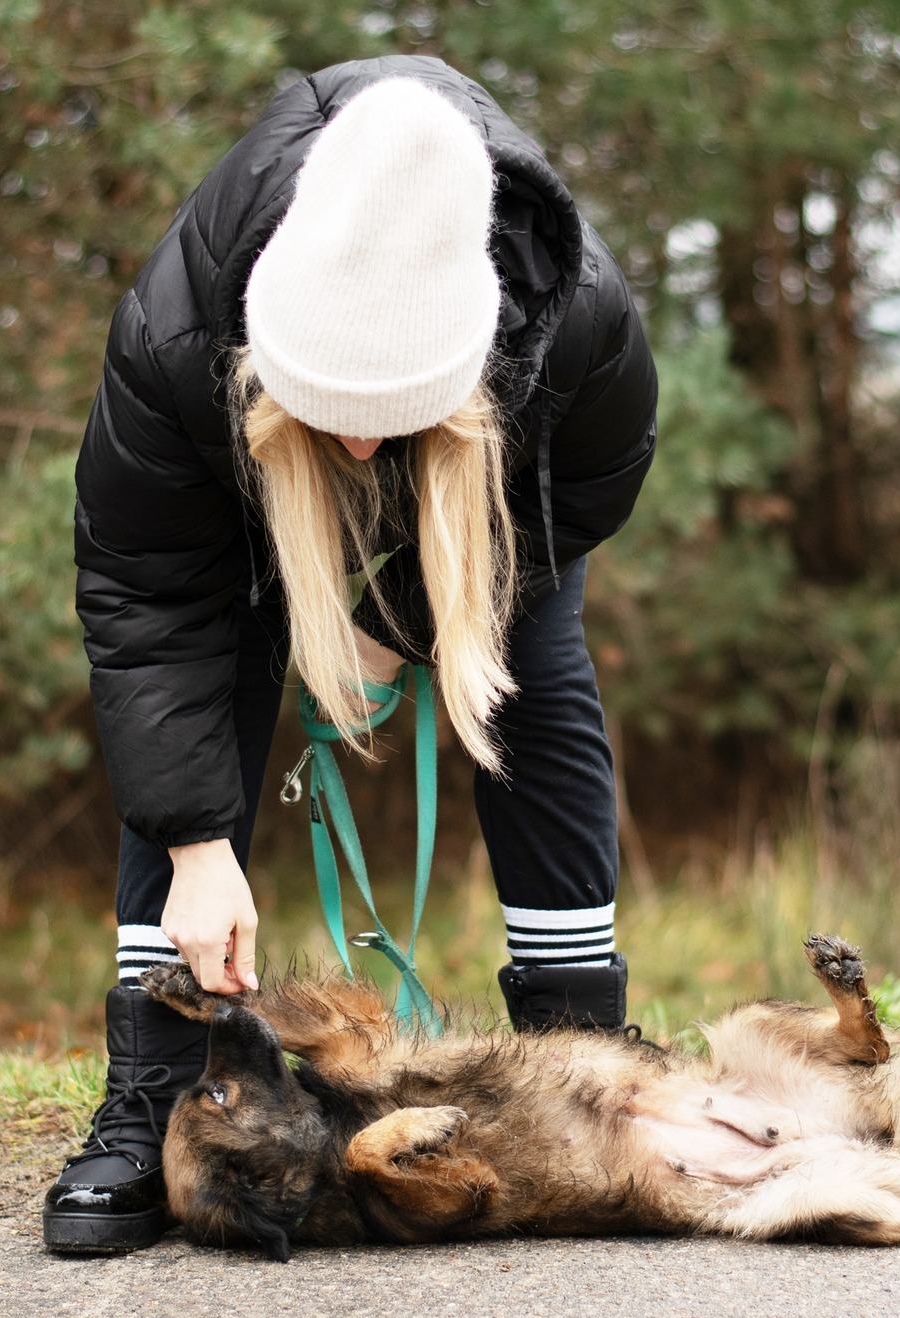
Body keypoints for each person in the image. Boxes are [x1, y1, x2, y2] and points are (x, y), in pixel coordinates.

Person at [43, 56, 657, 1254]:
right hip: (245, 471)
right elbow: (144, 602)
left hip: (478, 481)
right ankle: (152, 1090)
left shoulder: (575, 317)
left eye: (394, 405)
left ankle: (585, 1052)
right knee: (198, 689)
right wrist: (194, 846)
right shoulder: (175, 335)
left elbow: (583, 496)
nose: (365, 442)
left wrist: (415, 626)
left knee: (523, 671)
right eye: (340, 404)